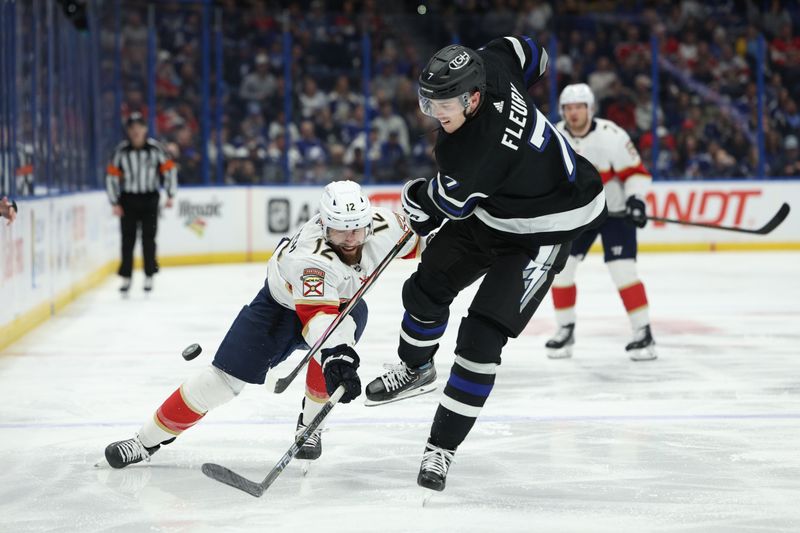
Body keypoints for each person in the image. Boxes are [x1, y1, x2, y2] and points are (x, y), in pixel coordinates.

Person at [363, 37, 607, 492]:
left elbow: (440, 206)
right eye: (428, 101)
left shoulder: (469, 154)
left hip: (548, 227)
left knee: (481, 339)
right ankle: (415, 368)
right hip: (497, 206)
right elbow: (531, 51)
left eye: (444, 105)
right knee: (426, 285)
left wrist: (416, 199)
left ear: (473, 98)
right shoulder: (490, 64)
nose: (434, 113)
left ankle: (442, 448)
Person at [104, 181, 421, 469]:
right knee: (220, 382)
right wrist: (337, 355)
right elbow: (318, 320)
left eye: (357, 229)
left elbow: (426, 245)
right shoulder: (311, 258)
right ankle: (144, 441)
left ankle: (310, 427)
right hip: (278, 310)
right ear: (324, 225)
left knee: (330, 361)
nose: (351, 239)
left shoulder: (385, 225)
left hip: (343, 306)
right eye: (340, 230)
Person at [545, 83, 656, 362]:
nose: (574, 113)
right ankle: (565, 329)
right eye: (569, 108)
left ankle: (643, 332)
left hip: (615, 214)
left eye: (579, 107)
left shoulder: (611, 136)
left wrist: (636, 200)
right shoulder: (553, 137)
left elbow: (636, 173)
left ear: (590, 109)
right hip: (579, 215)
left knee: (622, 271)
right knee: (561, 270)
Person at [105, 112, 177, 293]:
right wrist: (114, 202)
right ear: (128, 131)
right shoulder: (121, 151)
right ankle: (126, 277)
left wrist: (170, 194)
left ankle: (149, 275)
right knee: (127, 239)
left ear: (145, 129)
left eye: (139, 127)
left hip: (150, 198)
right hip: (128, 198)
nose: (136, 131)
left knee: (149, 238)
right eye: (132, 128)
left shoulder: (155, 149)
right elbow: (111, 177)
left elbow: (169, 170)